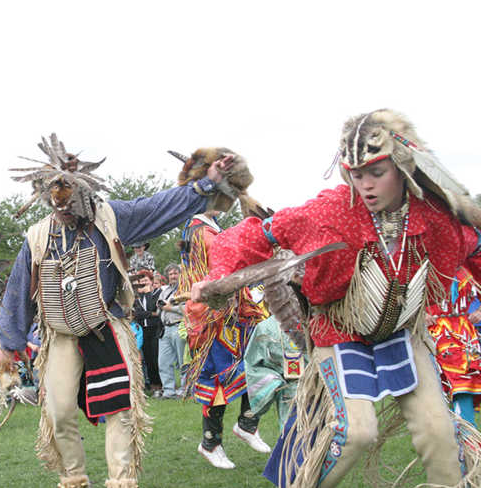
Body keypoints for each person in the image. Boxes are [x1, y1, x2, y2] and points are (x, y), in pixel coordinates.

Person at [191, 109, 481, 487]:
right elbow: (257, 236)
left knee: (439, 434)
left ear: (404, 168)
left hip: (403, 332)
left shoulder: (437, 219)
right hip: (338, 331)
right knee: (355, 432)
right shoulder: (330, 212)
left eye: (377, 173)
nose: (367, 185)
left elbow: (475, 249)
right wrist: (217, 277)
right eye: (357, 175)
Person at [0, 133, 234, 488]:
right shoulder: (37, 237)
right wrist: (9, 344)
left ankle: (121, 481)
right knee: (58, 412)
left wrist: (204, 184)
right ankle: (73, 478)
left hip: (107, 324)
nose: (61, 207)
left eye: (68, 198)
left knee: (120, 411)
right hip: (60, 334)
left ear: (82, 191)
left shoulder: (108, 218)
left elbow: (157, 207)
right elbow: (18, 292)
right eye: (54, 199)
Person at [179, 211, 271, 470]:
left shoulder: (211, 227)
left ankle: (247, 423)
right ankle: (211, 442)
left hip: (233, 313)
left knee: (257, 364)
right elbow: (221, 263)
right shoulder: (199, 230)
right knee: (218, 380)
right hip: (212, 317)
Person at [427, 266, 481, 428]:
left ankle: (466, 436)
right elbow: (401, 299)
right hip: (433, 335)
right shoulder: (420, 267)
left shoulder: (468, 267)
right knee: (437, 391)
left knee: (463, 387)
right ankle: (454, 437)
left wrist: (479, 311)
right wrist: (419, 315)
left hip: (464, 337)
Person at [244, 315, 305, 432]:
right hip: (290, 396)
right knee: (293, 437)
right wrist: (274, 381)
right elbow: (254, 365)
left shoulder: (321, 319)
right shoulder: (267, 328)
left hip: (323, 390)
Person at [157, 264, 186, 399]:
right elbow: (160, 308)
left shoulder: (185, 289)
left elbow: (188, 309)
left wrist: (171, 308)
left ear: (180, 274)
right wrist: (161, 306)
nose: (173, 276)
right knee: (163, 361)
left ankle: (185, 388)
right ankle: (169, 390)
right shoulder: (164, 291)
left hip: (179, 326)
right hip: (165, 328)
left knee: (183, 361)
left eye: (175, 273)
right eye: (171, 274)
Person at [133, 270, 163, 397]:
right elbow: (137, 313)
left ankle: (162, 385)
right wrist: (151, 314)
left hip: (155, 329)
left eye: (146, 280)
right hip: (143, 330)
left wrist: (149, 294)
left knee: (156, 357)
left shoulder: (156, 294)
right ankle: (153, 385)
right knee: (148, 359)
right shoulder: (138, 298)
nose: (144, 283)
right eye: (141, 281)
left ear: (151, 281)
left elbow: (156, 309)